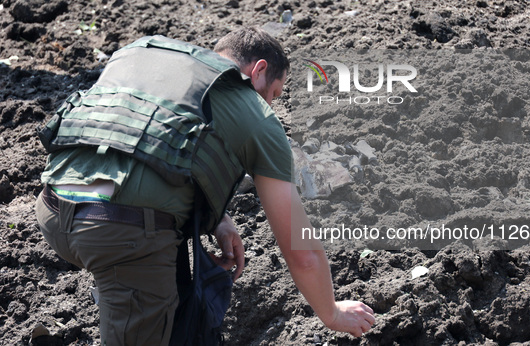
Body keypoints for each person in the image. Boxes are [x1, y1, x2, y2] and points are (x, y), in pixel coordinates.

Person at [35, 27, 375, 345]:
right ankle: (126, 294)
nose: (270, 104)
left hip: (51, 210)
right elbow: (302, 254)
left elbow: (148, 142)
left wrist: (218, 219)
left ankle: (122, 291)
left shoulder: (146, 53)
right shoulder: (256, 114)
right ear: (257, 70)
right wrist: (331, 312)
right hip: (117, 237)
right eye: (273, 93)